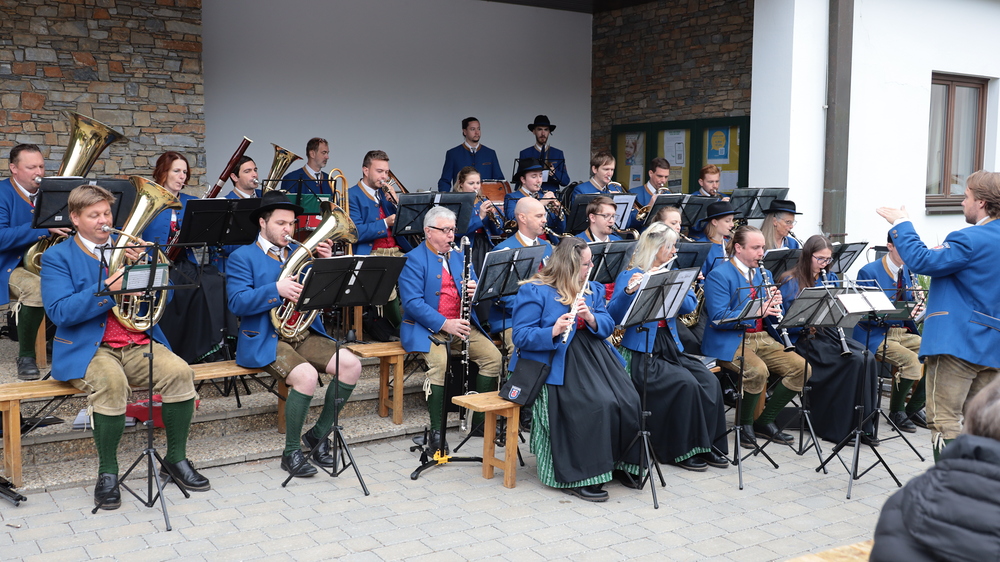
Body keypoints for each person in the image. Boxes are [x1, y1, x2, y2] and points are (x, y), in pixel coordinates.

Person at [41, 184, 209, 509]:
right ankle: (108, 472)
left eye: (107, 213)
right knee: (111, 383)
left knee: (180, 373)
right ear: (75, 218)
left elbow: (165, 297)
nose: (104, 221)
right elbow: (59, 312)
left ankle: (175, 459)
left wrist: (150, 265)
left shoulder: (128, 248)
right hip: (90, 347)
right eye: (94, 215)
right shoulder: (58, 256)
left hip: (135, 340)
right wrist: (109, 287)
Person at [226, 191, 363, 477]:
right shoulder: (242, 257)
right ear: (262, 223)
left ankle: (318, 436)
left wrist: (325, 267)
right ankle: (291, 452)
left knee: (351, 365)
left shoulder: (301, 255)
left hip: (302, 332)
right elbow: (236, 303)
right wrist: (275, 290)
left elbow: (323, 298)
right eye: (280, 223)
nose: (288, 229)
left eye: (291, 224)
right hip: (265, 338)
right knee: (306, 376)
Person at [877, 170, 1000, 460]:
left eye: (966, 196)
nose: (962, 202)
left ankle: (950, 486)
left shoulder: (969, 239)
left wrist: (902, 223)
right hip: (993, 346)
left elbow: (923, 261)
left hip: (958, 342)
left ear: (981, 202)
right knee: (981, 425)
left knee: (945, 422)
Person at [512, 237, 641, 501]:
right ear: (569, 265)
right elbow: (520, 336)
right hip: (554, 361)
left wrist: (590, 318)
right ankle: (580, 474)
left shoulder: (592, 288)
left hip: (594, 356)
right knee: (594, 404)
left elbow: (608, 323)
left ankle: (618, 463)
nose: (591, 267)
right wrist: (553, 330)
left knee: (628, 399)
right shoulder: (535, 290)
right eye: (585, 264)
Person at [608, 223, 728, 471]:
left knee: (709, 381)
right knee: (685, 384)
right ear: (657, 248)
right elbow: (613, 316)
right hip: (641, 349)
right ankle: (681, 450)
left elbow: (689, 307)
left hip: (669, 344)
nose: (675, 251)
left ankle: (707, 444)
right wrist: (631, 290)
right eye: (671, 246)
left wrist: (675, 283)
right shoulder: (630, 274)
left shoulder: (672, 271)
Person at [398, 206, 502, 451]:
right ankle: (437, 431)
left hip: (460, 324)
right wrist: (445, 324)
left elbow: (475, 287)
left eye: (453, 230)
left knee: (493, 358)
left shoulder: (458, 255)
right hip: (428, 329)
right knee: (440, 365)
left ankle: (479, 422)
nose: (451, 235)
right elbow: (412, 303)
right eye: (445, 230)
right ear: (428, 231)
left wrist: (475, 291)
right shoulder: (412, 259)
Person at [871, 375, 1000, 561]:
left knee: (945, 419)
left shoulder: (903, 499)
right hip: (988, 357)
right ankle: (901, 410)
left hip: (958, 356)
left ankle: (947, 486)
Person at [701, 226, 808, 448]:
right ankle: (744, 424)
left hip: (762, 337)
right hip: (730, 338)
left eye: (763, 248)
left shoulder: (763, 273)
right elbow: (719, 318)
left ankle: (765, 421)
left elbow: (770, 314)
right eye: (756, 248)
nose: (761, 253)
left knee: (802, 368)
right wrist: (758, 310)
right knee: (757, 370)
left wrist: (774, 303)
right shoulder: (719, 275)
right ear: (738, 248)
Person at [778, 235, 879, 445]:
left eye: (828, 259)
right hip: (802, 339)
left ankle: (863, 426)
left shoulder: (830, 277)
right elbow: (784, 322)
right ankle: (839, 427)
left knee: (867, 357)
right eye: (820, 259)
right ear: (807, 256)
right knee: (852, 362)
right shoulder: (789, 281)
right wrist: (806, 321)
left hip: (827, 334)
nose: (825, 264)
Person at [142, 152, 231, 364]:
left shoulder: (192, 202)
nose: (182, 176)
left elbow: (203, 240)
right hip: (155, 265)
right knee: (190, 287)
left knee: (216, 282)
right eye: (177, 171)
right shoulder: (147, 201)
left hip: (184, 263)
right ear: (163, 172)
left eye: (185, 172)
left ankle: (212, 346)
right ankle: (181, 349)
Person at [1, 144, 67, 380]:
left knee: (79, 278)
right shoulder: (2, 193)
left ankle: (58, 342)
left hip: (44, 263)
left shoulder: (50, 194)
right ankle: (26, 355)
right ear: (14, 168)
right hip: (8, 266)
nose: (39, 172)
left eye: (41, 166)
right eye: (31, 167)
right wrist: (42, 229)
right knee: (36, 288)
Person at [854, 235, 926, 433]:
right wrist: (904, 310)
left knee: (937, 352)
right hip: (875, 333)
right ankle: (896, 411)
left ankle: (914, 408)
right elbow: (866, 314)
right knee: (912, 360)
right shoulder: (869, 271)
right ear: (890, 246)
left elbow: (908, 306)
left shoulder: (907, 270)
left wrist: (917, 304)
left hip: (901, 331)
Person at [489, 196, 554, 351]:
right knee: (518, 347)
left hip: (545, 315)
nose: (544, 220)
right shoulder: (503, 250)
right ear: (522, 218)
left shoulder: (547, 247)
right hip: (513, 319)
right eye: (539, 216)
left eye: (544, 215)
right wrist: (537, 311)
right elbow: (502, 296)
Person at [348, 150, 403, 257]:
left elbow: (408, 227)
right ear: (366, 171)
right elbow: (355, 233)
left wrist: (396, 202)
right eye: (379, 171)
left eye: (386, 172)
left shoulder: (386, 193)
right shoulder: (351, 195)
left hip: (397, 251)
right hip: (371, 254)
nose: (384, 177)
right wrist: (385, 223)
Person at [437, 117, 504, 192]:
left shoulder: (490, 153)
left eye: (478, 129)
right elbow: (445, 181)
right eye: (472, 129)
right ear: (465, 131)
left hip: (486, 197)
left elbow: (500, 181)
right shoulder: (453, 154)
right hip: (461, 197)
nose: (477, 132)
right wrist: (445, 197)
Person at [502, 158, 564, 233]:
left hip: (547, 238)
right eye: (534, 177)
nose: (539, 180)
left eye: (540, 176)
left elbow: (560, 230)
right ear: (523, 179)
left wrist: (559, 213)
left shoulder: (543, 197)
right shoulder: (512, 198)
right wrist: (540, 204)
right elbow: (513, 222)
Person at [519, 115, 569, 193]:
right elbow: (519, 181)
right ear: (534, 131)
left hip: (552, 196)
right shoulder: (525, 153)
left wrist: (554, 173)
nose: (543, 133)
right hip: (531, 196)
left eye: (546, 130)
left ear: (549, 132)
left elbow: (565, 181)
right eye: (539, 129)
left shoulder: (558, 153)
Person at [693, 200, 736, 278]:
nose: (732, 224)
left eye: (732, 220)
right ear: (714, 222)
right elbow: (700, 278)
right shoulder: (701, 246)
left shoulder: (730, 243)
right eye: (727, 221)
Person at [629, 157, 672, 227]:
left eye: (666, 177)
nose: (663, 180)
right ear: (651, 173)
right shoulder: (634, 193)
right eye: (660, 176)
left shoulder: (668, 194)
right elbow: (630, 222)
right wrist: (649, 207)